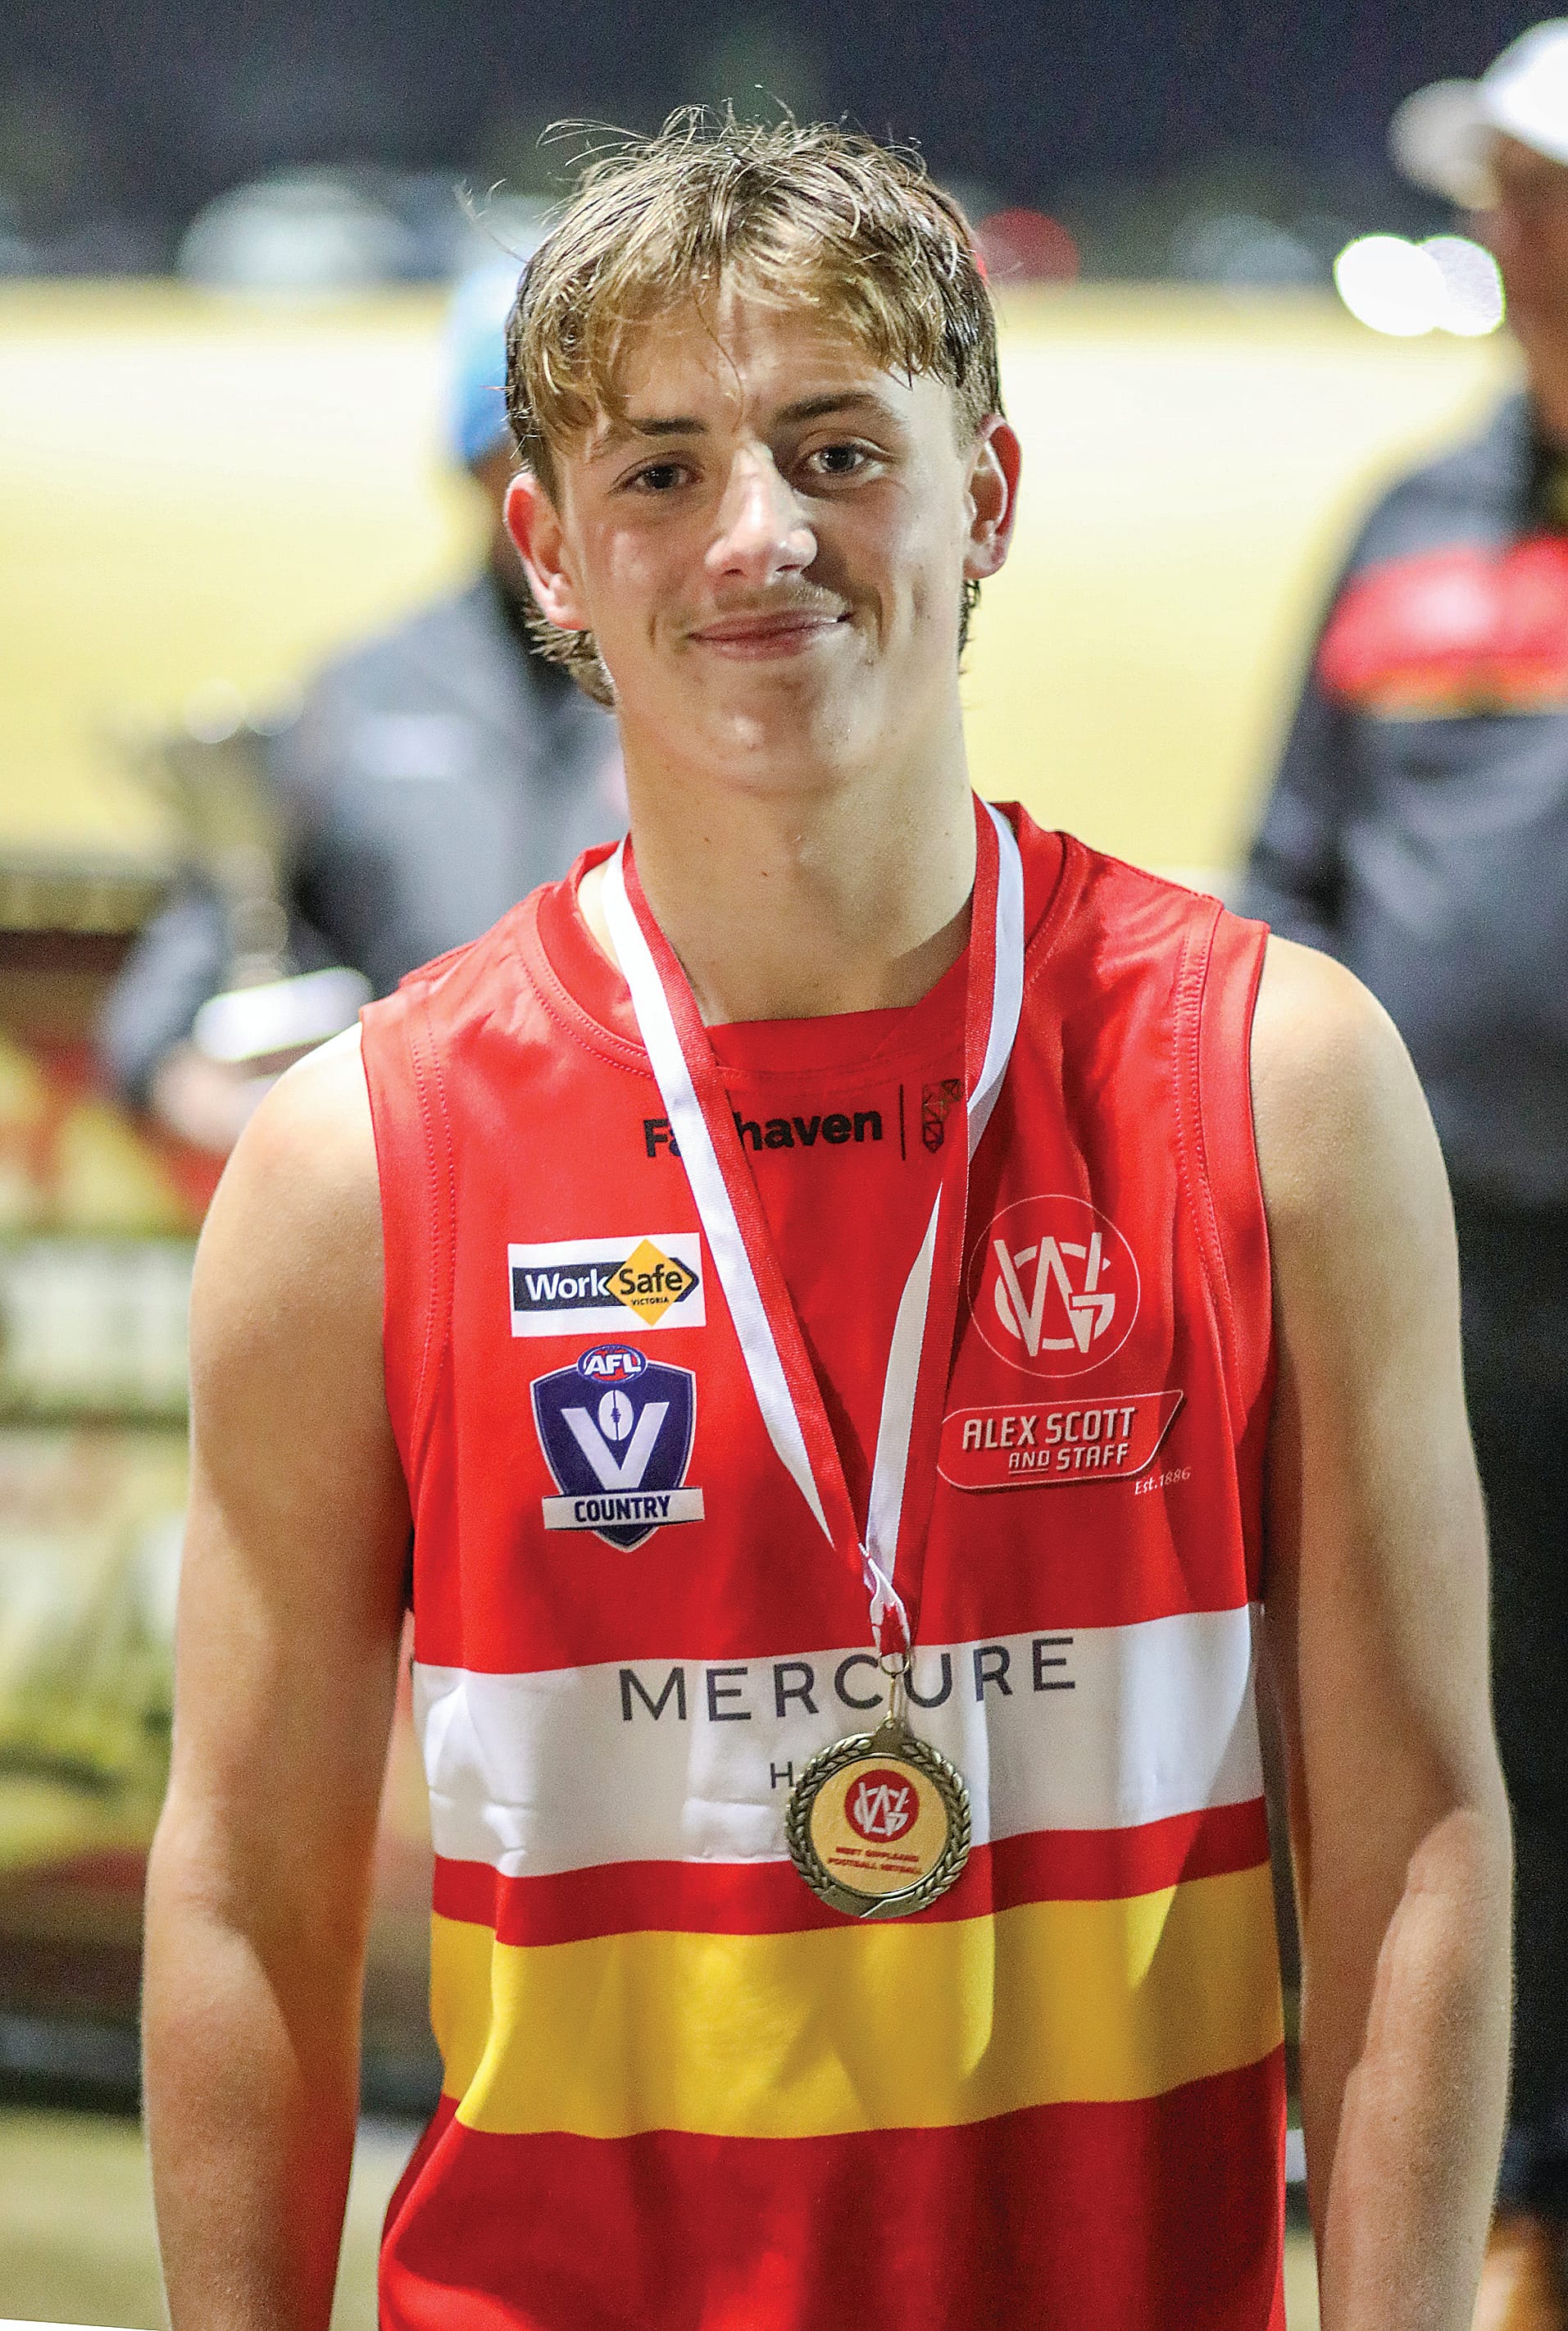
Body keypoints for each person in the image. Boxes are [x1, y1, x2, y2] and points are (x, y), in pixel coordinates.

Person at [143, 116, 1510, 2329]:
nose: (758, 535)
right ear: (548, 551)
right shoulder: (358, 1165)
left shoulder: (1277, 1082)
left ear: (984, 492)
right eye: (661, 469)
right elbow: (241, 1900)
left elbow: (1418, 1841)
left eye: (837, 446)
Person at [1244, 24, 1568, 2323]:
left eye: (1552, 194)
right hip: (1454, 1290)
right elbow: (1292, 870)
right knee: (1466, 1744)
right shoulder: (1411, 523)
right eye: (1510, 198)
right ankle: (1505, 2195)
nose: (1520, 239)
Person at [101, 263, 621, 1154]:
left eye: (596, 455)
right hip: (412, 1211)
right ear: (474, 469)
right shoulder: (358, 692)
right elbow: (161, 1014)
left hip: (660, 1196)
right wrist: (274, 1141)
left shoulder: (708, 681)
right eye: (519, 453)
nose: (553, 492)